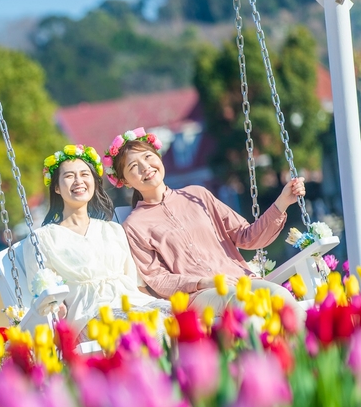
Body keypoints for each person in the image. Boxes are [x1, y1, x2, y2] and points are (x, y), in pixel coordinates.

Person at [105, 127, 305, 317]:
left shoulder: (198, 195)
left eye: (148, 157)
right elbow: (158, 278)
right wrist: (203, 282)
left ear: (158, 158)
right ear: (125, 182)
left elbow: (247, 237)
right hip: (198, 296)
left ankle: (300, 350)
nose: (145, 167)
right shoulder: (133, 225)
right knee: (242, 302)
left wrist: (283, 202)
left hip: (240, 280)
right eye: (134, 166)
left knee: (281, 296)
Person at [23, 144, 168, 341]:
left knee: (175, 317)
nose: (79, 181)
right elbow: (41, 294)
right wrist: (56, 309)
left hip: (132, 303)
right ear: (56, 187)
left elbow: (135, 283)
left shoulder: (113, 230)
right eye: (69, 176)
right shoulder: (43, 239)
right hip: (88, 315)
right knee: (140, 327)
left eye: (85, 174)